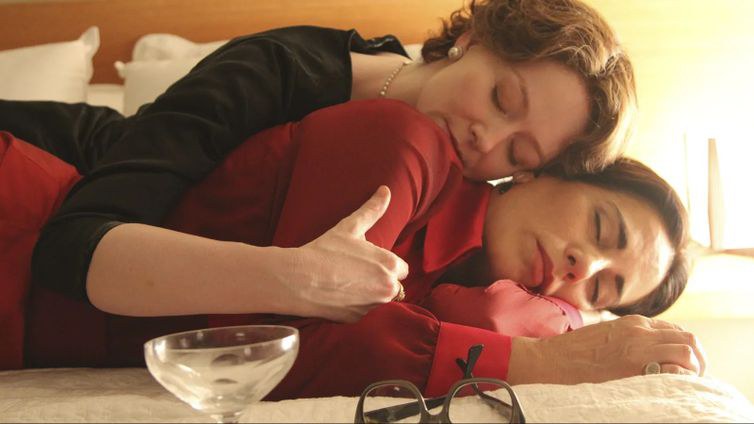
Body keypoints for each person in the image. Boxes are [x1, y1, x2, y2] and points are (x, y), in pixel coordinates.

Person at [4, 99, 702, 398]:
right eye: (602, 230)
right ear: (541, 170)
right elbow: (277, 351)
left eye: (603, 290)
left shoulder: (464, 297)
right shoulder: (404, 148)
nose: (584, 267)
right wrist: (545, 362)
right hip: (25, 241)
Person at [0, 0, 637, 323]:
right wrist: (290, 278)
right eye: (501, 98)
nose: (485, 140)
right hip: (45, 159)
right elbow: (72, 247)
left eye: (517, 154)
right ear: (472, 38)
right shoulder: (276, 71)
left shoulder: (454, 197)